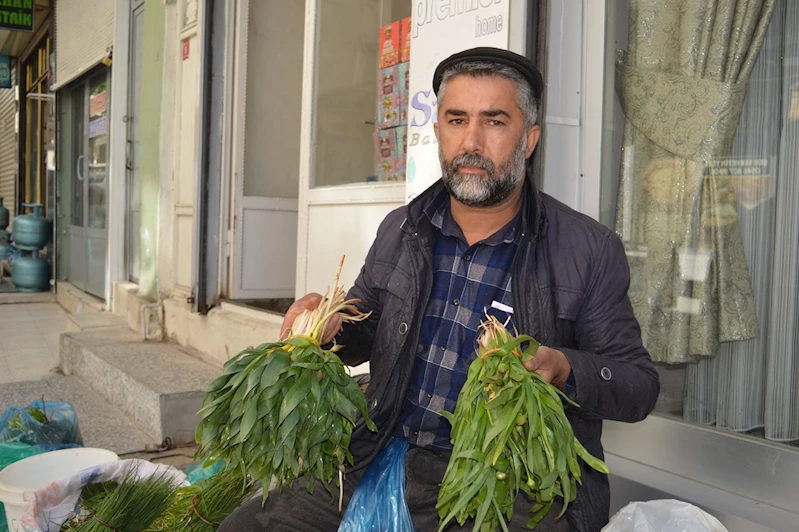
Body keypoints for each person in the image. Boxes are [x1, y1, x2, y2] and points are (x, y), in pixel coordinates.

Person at [220, 47, 659, 532]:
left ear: (529, 139)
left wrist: (562, 367)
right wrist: (331, 327)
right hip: (380, 445)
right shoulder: (403, 229)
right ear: (438, 131)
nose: (470, 141)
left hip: (501, 480)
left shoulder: (587, 248)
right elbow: (363, 333)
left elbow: (637, 386)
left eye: (494, 122)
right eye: (456, 120)